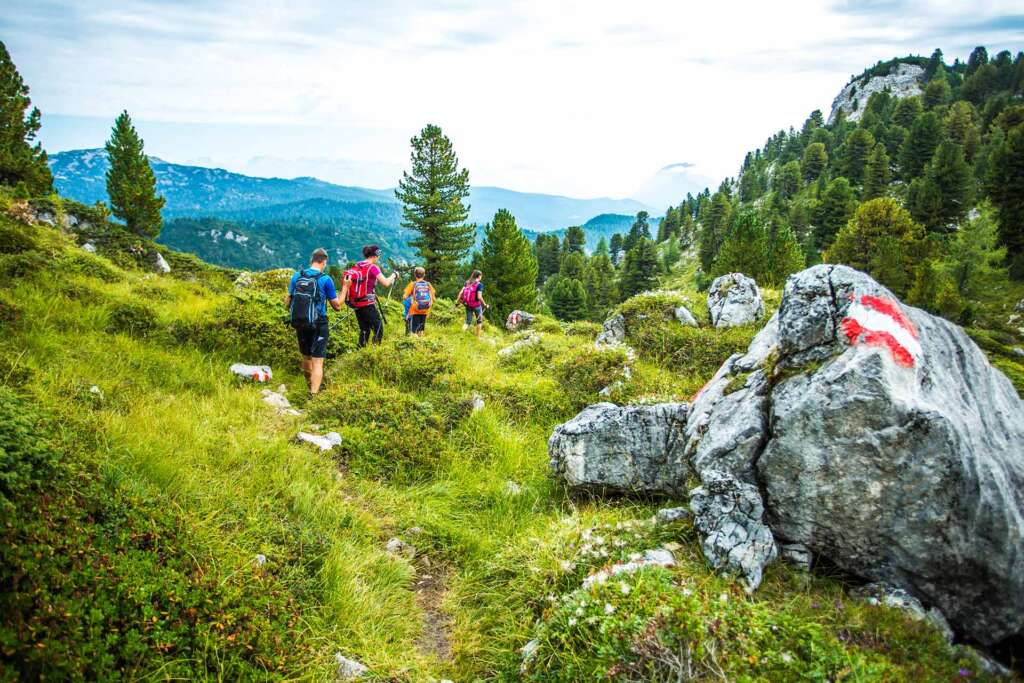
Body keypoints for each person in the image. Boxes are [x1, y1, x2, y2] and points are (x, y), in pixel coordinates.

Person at [285, 248, 342, 395]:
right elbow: (337, 306)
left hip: (301, 321)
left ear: (311, 260)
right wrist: (346, 288)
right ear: (324, 261)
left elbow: (287, 301)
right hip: (319, 323)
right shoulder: (326, 279)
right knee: (317, 362)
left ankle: (309, 385)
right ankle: (313, 395)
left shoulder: (297, 276)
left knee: (306, 357)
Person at [340, 244, 397, 347]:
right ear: (375, 255)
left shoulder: (358, 265)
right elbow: (385, 283)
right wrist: (394, 275)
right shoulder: (373, 268)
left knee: (364, 329)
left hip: (356, 303)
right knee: (378, 327)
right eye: (378, 255)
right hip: (367, 303)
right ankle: (374, 352)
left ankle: (361, 351)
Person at [402, 267, 436, 337]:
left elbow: (404, 296)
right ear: (424, 275)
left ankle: (415, 344)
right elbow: (433, 298)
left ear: (415, 275)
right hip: (425, 310)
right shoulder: (428, 284)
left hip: (415, 310)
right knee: (421, 330)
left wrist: (411, 299)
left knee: (413, 332)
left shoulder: (413, 284)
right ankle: (421, 343)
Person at [459, 270, 488, 338]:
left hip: (467, 304)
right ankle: (477, 337)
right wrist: (485, 304)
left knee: (468, 321)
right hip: (476, 306)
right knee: (479, 321)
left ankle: (460, 334)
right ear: (479, 276)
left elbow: (461, 293)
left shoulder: (467, 282)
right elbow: (479, 297)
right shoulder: (479, 284)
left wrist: (459, 301)